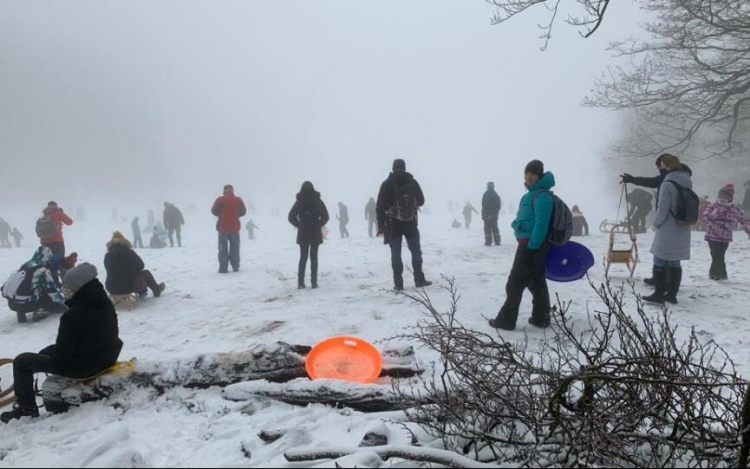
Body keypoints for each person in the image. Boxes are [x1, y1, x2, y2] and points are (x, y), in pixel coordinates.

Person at [0, 263, 123, 424]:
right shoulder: (104, 303)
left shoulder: (73, 315)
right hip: (107, 356)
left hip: (85, 366)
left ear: (78, 287)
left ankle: (26, 409)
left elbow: (62, 357)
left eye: (67, 286)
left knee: (22, 361)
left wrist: (49, 353)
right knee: (45, 351)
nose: (64, 289)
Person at [489, 160, 554, 331]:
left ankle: (506, 320)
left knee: (514, 283)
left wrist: (532, 246)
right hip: (530, 244)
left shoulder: (542, 196)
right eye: (527, 173)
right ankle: (541, 317)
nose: (529, 177)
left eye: (533, 174)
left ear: (539, 175)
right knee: (535, 280)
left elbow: (541, 225)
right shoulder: (532, 195)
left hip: (532, 245)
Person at [642, 154, 692, 305]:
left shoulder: (667, 183)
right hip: (682, 226)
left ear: (668, 166)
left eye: (662, 164)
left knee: (659, 259)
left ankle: (658, 293)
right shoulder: (687, 180)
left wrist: (655, 225)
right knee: (675, 261)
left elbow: (662, 210)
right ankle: (671, 295)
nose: (660, 167)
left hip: (667, 228)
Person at [376, 158, 432, 291]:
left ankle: (398, 283)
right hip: (410, 223)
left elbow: (379, 206)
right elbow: (422, 200)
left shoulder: (387, 184)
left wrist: (381, 225)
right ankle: (419, 279)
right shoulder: (412, 182)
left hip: (392, 224)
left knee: (396, 253)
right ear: (404, 167)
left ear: (393, 167)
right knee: (415, 251)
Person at [1, 246, 75, 323]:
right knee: (46, 293)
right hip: (27, 306)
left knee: (26, 287)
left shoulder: (26, 265)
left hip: (11, 304)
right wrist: (66, 304)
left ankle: (20, 314)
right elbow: (53, 293)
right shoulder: (43, 270)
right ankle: (40, 311)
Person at [703, 184, 750, 280]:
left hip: (725, 237)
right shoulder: (713, 206)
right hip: (712, 235)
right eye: (720, 196)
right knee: (716, 255)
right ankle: (719, 274)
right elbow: (707, 217)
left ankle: (715, 274)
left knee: (720, 255)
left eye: (725, 197)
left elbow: (743, 220)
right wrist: (719, 210)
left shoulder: (733, 209)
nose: (722, 199)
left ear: (730, 198)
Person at [288, 181, 329, 289]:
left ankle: (300, 282)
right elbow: (326, 216)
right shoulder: (318, 201)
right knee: (314, 258)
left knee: (303, 258)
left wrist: (299, 224)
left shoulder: (299, 202)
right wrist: (318, 224)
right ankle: (314, 282)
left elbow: (291, 217)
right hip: (315, 232)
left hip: (303, 233)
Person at [104, 231, 165, 299]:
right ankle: (156, 290)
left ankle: (143, 292)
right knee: (146, 273)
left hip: (112, 288)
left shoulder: (108, 255)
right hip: (129, 287)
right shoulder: (129, 253)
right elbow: (141, 265)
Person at [212, 184, 247, 273]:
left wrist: (221, 214)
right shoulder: (238, 200)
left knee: (222, 249)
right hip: (235, 227)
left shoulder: (220, 200)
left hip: (222, 228)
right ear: (232, 190)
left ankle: (223, 268)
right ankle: (235, 266)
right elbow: (243, 212)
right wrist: (235, 215)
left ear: (224, 191)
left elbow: (213, 211)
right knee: (235, 248)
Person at [481, 182, 502, 246]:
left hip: (489, 216)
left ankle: (488, 242)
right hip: (491, 216)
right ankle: (497, 242)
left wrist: (486, 215)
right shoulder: (495, 195)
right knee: (494, 228)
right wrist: (493, 215)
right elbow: (498, 207)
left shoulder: (486, 194)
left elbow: (483, 206)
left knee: (488, 229)